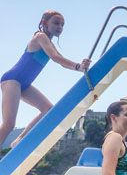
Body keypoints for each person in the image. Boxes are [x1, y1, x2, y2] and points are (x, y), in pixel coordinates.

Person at [0, 10, 91, 148]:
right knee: (9, 123)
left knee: (48, 109)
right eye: (56, 23)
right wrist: (78, 66)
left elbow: (61, 61)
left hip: (24, 84)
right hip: (12, 80)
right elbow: (55, 58)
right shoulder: (40, 36)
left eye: (62, 24)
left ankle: (18, 141)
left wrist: (80, 66)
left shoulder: (49, 43)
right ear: (44, 23)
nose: (60, 26)